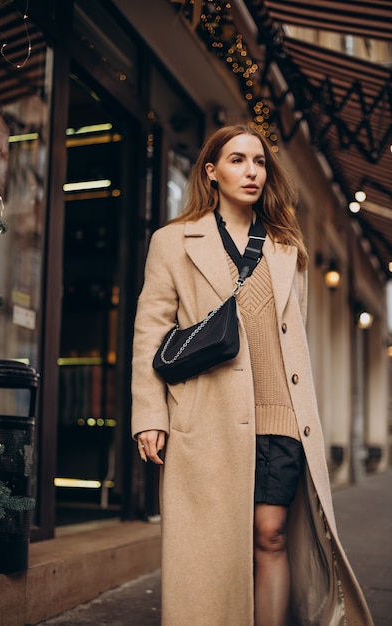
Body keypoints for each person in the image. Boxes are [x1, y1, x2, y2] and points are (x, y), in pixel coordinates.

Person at [131, 124, 373, 626]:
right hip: (208, 417)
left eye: (259, 162)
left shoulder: (287, 247)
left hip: (280, 416)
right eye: (238, 160)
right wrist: (149, 415)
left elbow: (291, 340)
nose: (252, 171)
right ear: (211, 172)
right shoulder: (173, 242)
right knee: (214, 545)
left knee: (271, 535)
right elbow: (150, 332)